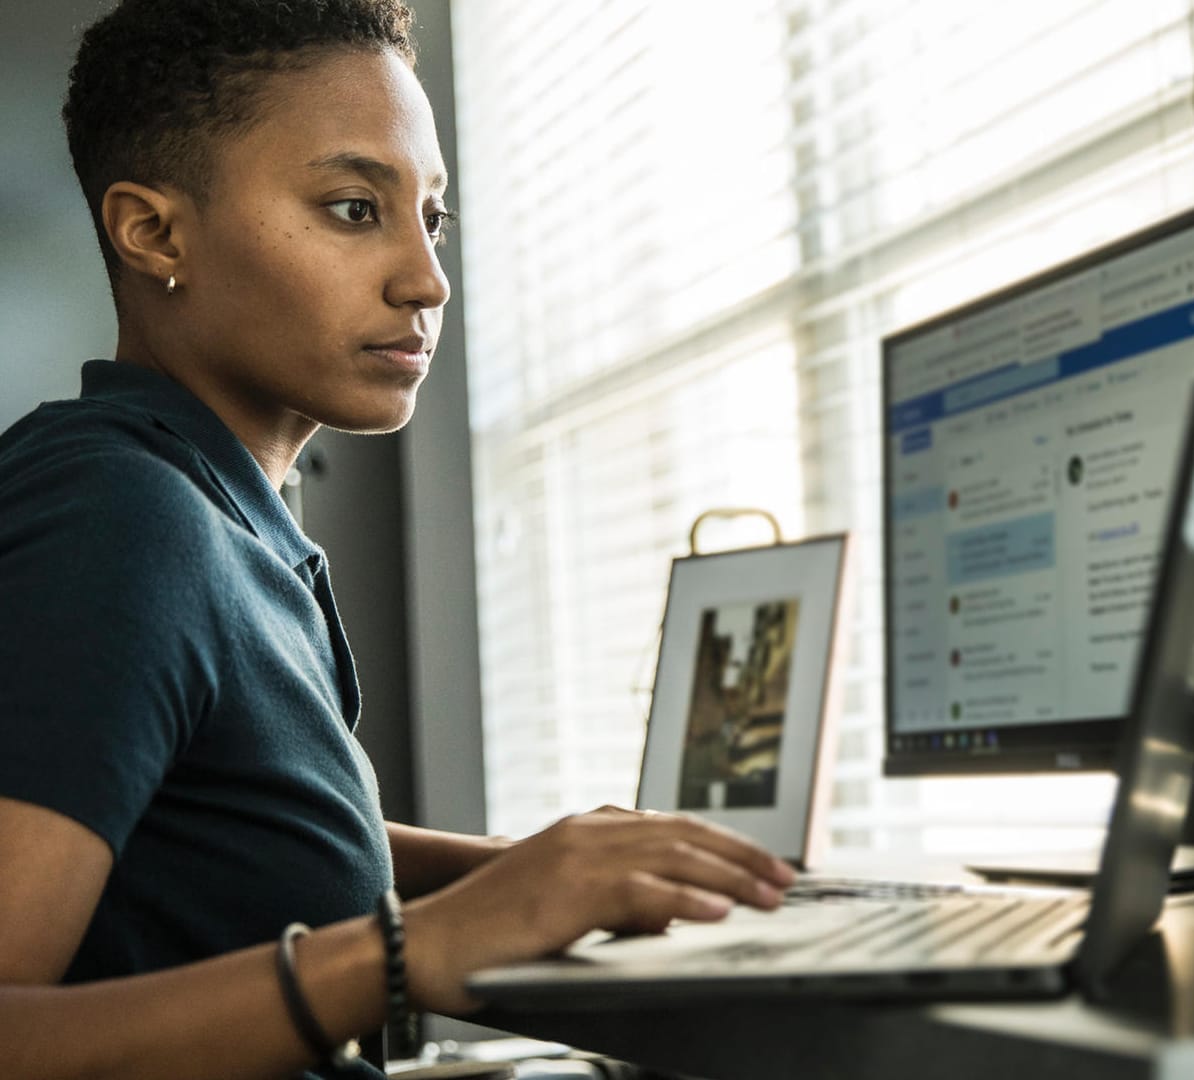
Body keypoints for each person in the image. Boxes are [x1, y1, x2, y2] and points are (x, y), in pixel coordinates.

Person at [0, 2, 795, 1078]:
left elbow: (220, 827)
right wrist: (402, 955)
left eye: (433, 217)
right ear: (154, 233)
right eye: (350, 207)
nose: (427, 280)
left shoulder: (220, 516)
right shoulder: (123, 519)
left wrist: (528, 869)